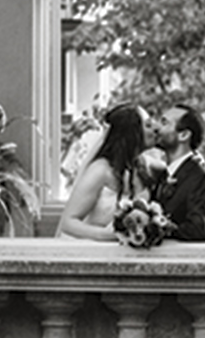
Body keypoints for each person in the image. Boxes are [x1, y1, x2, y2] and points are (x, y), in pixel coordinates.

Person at [56, 103, 151, 241]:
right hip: (93, 251)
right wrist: (111, 235)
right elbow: (68, 223)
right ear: (132, 132)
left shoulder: (142, 167)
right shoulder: (100, 170)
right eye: (147, 125)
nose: (155, 129)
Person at [149, 104, 205, 242]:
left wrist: (157, 227)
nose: (156, 127)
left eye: (164, 123)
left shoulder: (200, 178)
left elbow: (197, 229)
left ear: (183, 135)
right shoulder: (163, 175)